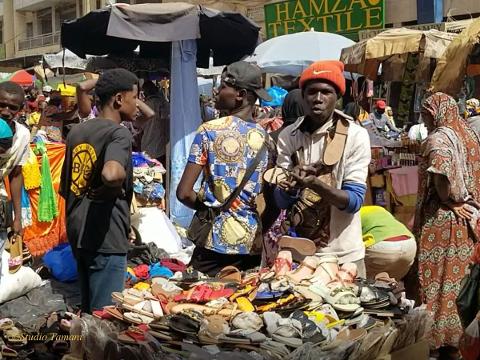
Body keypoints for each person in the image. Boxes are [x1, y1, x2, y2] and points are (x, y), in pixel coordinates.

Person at [274, 60, 371, 277]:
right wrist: (290, 188)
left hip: (343, 256)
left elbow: (353, 202)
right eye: (312, 92)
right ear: (303, 95)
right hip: (297, 254)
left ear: (337, 97)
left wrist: (315, 184)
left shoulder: (355, 136)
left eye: (326, 92)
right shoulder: (288, 136)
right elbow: (280, 201)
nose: (318, 99)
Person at [177, 61, 272, 276]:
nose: (217, 92)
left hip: (213, 243)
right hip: (251, 245)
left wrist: (208, 211)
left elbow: (183, 193)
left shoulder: (209, 131)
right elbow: (271, 200)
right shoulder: (267, 139)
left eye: (222, 87)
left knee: (204, 303)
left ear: (240, 94)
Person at [60, 69, 139, 313]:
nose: (138, 104)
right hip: (105, 235)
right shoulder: (119, 133)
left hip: (78, 231)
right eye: (135, 97)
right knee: (104, 318)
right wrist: (109, 189)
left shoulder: (77, 131)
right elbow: (112, 174)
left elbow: (66, 187)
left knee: (88, 311)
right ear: (118, 99)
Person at [415, 92, 480, 354]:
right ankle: (457, 340)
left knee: (436, 282)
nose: (424, 119)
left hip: (444, 220)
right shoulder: (469, 134)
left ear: (432, 113)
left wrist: (450, 199)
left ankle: (434, 340)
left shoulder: (440, 137)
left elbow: (440, 170)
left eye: (424, 114)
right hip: (470, 218)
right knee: (459, 283)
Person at [360, 206, 416, 280]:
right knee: (390, 284)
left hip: (382, 246)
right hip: (409, 245)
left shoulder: (352, 214)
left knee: (363, 281)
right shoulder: (377, 208)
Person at [138, 80, 168, 164]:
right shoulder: (165, 104)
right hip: (163, 147)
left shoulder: (145, 106)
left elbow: (139, 127)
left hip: (148, 145)